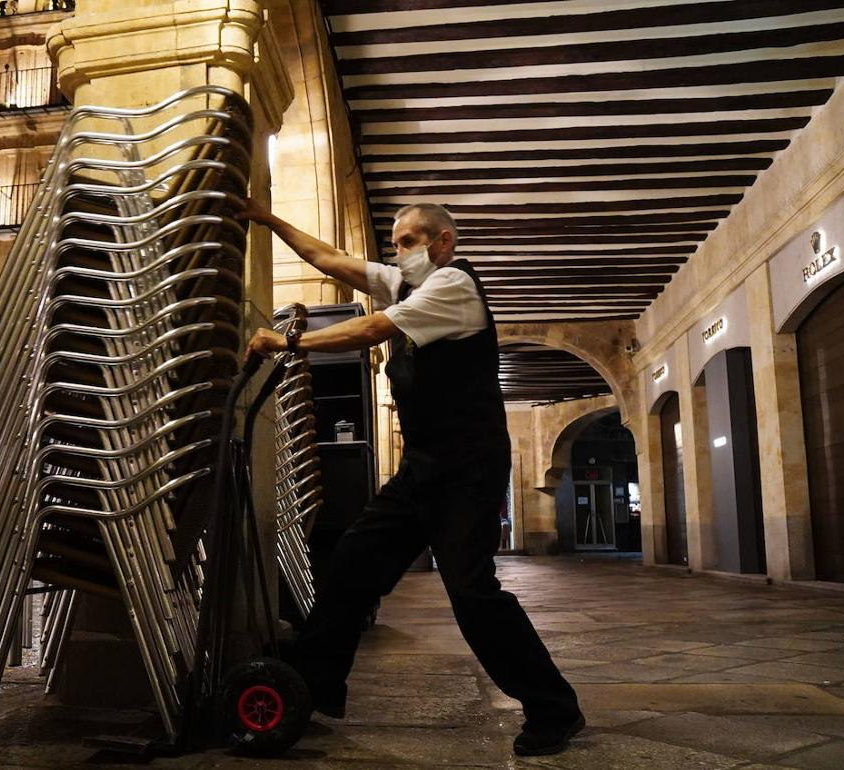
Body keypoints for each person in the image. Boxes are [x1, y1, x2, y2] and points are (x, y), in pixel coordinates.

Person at [236, 197, 584, 757]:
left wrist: (289, 342)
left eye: (407, 242)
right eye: (395, 244)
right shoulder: (409, 284)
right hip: (424, 465)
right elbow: (331, 259)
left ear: (442, 242)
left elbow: (372, 329)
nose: (397, 253)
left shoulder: (453, 286)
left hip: (469, 467)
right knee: (353, 564)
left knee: (472, 592)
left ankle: (554, 709)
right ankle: (314, 684)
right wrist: (269, 220)